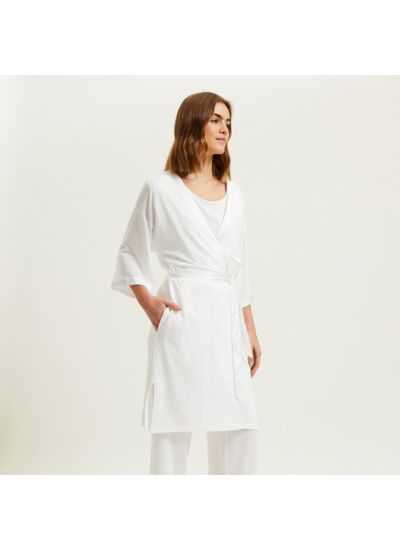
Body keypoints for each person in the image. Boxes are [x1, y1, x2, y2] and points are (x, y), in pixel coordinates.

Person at [111, 91, 262, 474]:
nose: (225, 129)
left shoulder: (235, 195)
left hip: (227, 324)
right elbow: (130, 251)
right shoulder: (160, 190)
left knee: (239, 427)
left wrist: (249, 329)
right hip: (183, 317)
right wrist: (150, 304)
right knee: (173, 426)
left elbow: (240, 269)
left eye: (228, 122)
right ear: (193, 124)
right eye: (216, 120)